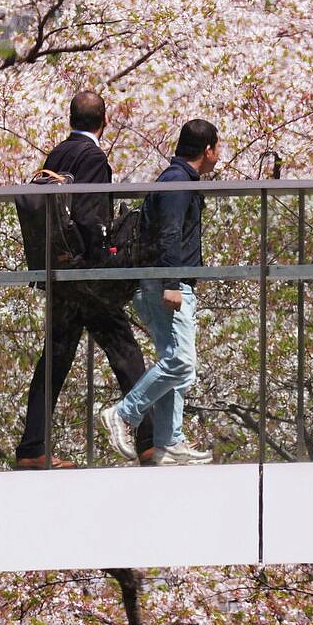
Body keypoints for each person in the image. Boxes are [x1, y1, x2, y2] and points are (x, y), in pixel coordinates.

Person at [14, 90, 155, 470]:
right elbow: (91, 216)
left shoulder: (57, 155)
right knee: (125, 350)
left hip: (58, 273)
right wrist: (103, 265)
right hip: (85, 276)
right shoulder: (92, 157)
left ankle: (32, 446)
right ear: (104, 121)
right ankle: (151, 442)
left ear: (71, 118)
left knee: (56, 358)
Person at [100, 119, 219, 465]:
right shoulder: (178, 182)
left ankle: (169, 440)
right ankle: (124, 415)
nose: (218, 156)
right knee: (181, 362)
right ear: (207, 149)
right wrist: (171, 283)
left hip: (161, 282)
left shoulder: (176, 179)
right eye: (217, 148)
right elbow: (169, 233)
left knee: (175, 361)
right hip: (166, 283)